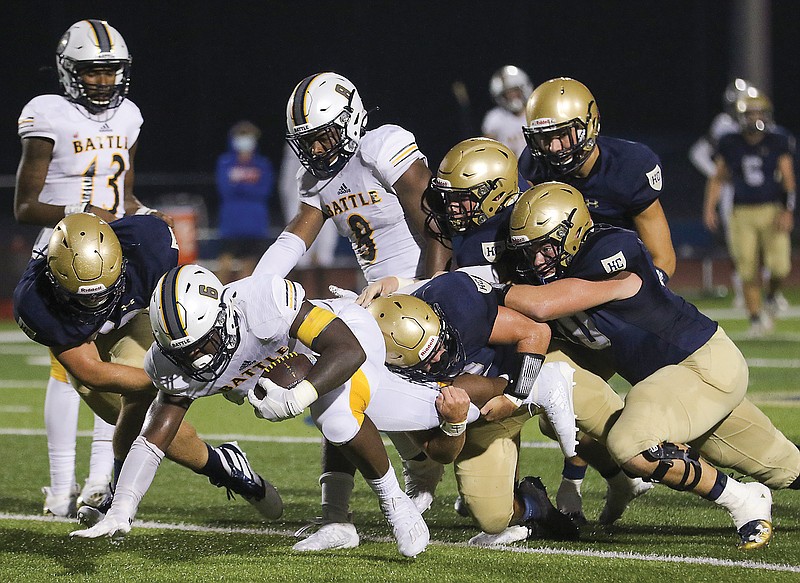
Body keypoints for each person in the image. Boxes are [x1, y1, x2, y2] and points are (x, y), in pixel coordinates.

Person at [504, 181, 800, 550]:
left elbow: (543, 305)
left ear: (574, 231)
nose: (537, 261)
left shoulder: (612, 249)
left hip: (704, 367)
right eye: (528, 251)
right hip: (672, 386)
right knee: (787, 467)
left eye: (544, 247)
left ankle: (743, 499)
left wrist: (483, 289)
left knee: (631, 443)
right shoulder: (543, 271)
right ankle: (622, 482)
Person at [72, 264, 429, 558]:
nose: (198, 359)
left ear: (222, 316)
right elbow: (154, 437)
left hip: (346, 331)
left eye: (201, 344)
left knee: (333, 414)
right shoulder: (170, 362)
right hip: (296, 366)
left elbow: (347, 349)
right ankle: (337, 522)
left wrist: (297, 397)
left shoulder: (261, 303)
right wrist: (122, 508)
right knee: (330, 413)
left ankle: (396, 503)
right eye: (185, 353)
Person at [420, 137, 652, 526]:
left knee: (625, 434)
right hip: (495, 358)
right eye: (450, 197)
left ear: (495, 192)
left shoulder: (536, 216)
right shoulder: (473, 224)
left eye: (463, 197)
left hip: (554, 346)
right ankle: (550, 495)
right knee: (491, 516)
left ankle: (728, 490)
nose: (451, 208)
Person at [257, 71, 451, 524]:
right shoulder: (318, 181)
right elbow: (295, 237)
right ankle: (340, 512)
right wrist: (257, 284)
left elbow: (436, 215)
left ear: (350, 119)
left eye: (323, 137)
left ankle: (423, 468)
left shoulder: (381, 146)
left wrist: (425, 284)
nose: (317, 150)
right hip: (378, 299)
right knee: (335, 369)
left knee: (419, 398)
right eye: (308, 142)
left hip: (420, 287)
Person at [14, 213, 281, 528]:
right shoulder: (35, 300)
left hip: (134, 321)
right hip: (87, 349)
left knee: (145, 410)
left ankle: (116, 496)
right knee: (143, 417)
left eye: (105, 290)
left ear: (121, 262)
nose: (97, 302)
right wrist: (180, 382)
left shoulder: (149, 245)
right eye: (85, 297)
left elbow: (180, 307)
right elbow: (92, 372)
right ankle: (222, 466)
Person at [14, 19, 165, 517]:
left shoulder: (130, 116)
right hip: (64, 249)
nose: (102, 81)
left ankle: (100, 479)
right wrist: (77, 216)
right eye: (91, 71)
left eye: (110, 72)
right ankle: (61, 487)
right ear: (68, 70)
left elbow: (123, 192)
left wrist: (142, 214)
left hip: (115, 250)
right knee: (67, 367)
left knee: (117, 365)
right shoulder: (47, 113)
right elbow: (24, 206)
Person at [518, 76, 677, 515]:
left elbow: (662, 257)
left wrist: (641, 308)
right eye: (542, 139)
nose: (551, 150)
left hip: (629, 307)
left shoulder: (629, 165)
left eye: (560, 135)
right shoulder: (531, 171)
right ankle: (610, 479)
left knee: (682, 413)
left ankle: (739, 487)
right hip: (575, 309)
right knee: (559, 407)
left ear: (590, 125)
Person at [703, 91, 796, 338]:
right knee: (747, 269)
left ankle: (773, 296)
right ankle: (755, 318)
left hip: (771, 209)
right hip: (741, 211)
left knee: (779, 267)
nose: (755, 118)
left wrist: (788, 209)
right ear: (740, 117)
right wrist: (709, 207)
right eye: (750, 113)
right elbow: (718, 177)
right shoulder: (730, 141)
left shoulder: (778, 140)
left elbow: (788, 178)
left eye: (759, 113)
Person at [689, 78, 757, 308]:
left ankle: (767, 295)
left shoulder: (756, 124)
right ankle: (742, 293)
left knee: (764, 244)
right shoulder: (724, 124)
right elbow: (699, 153)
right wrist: (719, 175)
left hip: (757, 191)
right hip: (733, 191)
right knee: (738, 245)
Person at [214, 120, 275, 284]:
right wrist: (249, 186)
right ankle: (217, 299)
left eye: (248, 136)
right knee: (225, 262)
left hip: (255, 223)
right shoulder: (224, 162)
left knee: (249, 266)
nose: (244, 140)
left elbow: (264, 191)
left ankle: (239, 302)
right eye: (241, 135)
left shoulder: (263, 164)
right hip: (231, 223)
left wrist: (239, 185)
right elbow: (224, 189)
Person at [482, 65, 533, 158]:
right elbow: (487, 152)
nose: (512, 95)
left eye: (515, 90)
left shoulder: (535, 110)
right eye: (508, 93)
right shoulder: (494, 118)